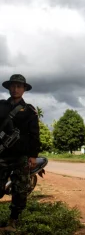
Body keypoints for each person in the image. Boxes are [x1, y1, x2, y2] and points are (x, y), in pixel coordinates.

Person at [0, 74, 40, 232]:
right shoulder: (1, 106)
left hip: (20, 156)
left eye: (19, 86)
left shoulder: (30, 111)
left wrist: (33, 156)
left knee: (20, 190)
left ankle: (13, 221)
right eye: (13, 86)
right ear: (9, 88)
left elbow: (34, 134)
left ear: (24, 89)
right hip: (1, 155)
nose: (15, 89)